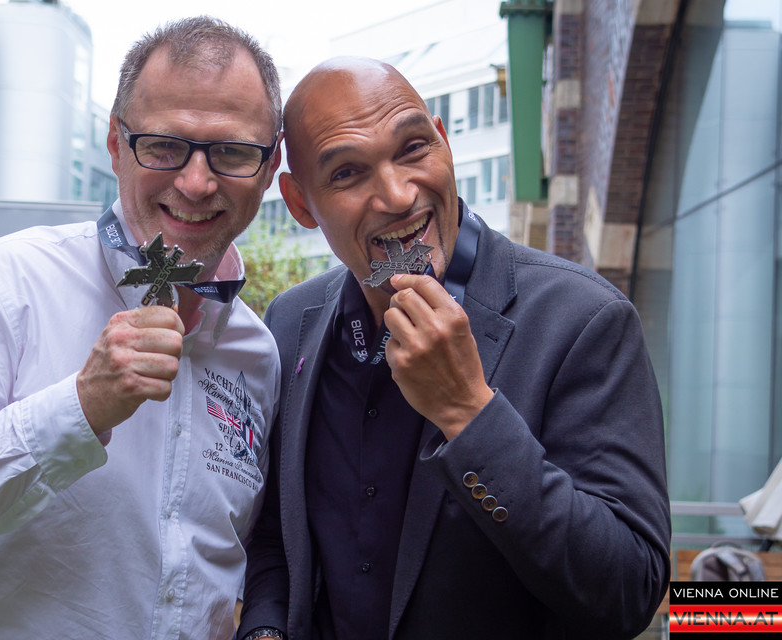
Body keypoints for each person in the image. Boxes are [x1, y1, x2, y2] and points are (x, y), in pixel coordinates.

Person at [0, 16, 283, 639]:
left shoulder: (256, 353)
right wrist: (76, 409)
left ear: (269, 166)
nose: (196, 182)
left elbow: (230, 562)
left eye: (231, 152)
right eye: (163, 145)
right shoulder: (2, 285)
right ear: (115, 142)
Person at [236, 57, 670, 640]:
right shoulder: (291, 322)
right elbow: (275, 537)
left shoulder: (584, 320)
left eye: (413, 148)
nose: (398, 195)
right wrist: (265, 631)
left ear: (444, 141)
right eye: (347, 174)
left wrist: (467, 411)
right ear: (299, 203)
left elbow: (630, 590)